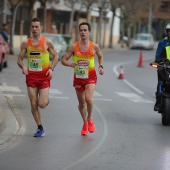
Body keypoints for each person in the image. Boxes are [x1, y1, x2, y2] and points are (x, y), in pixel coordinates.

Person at [17, 18, 59, 137]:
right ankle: (40, 127)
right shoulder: (26, 43)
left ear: (41, 28)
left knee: (41, 104)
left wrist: (51, 68)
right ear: (31, 28)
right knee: (33, 103)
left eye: (37, 27)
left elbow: (56, 56)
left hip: (44, 77)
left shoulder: (47, 42)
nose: (34, 29)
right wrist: (23, 67)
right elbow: (19, 59)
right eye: (33, 27)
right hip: (31, 77)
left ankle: (45, 101)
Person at [61, 22, 104, 136]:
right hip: (78, 78)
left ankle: (90, 119)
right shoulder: (74, 46)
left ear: (89, 32)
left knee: (88, 99)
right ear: (79, 32)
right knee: (81, 103)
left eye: (85, 30)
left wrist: (100, 66)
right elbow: (63, 60)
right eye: (81, 30)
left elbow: (100, 56)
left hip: (90, 76)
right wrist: (70, 64)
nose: (83, 32)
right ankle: (85, 123)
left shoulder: (94, 46)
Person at [154, 23, 170, 111]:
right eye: (169, 32)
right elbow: (157, 56)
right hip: (165, 67)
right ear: (167, 33)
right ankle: (158, 102)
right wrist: (158, 62)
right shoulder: (163, 42)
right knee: (160, 82)